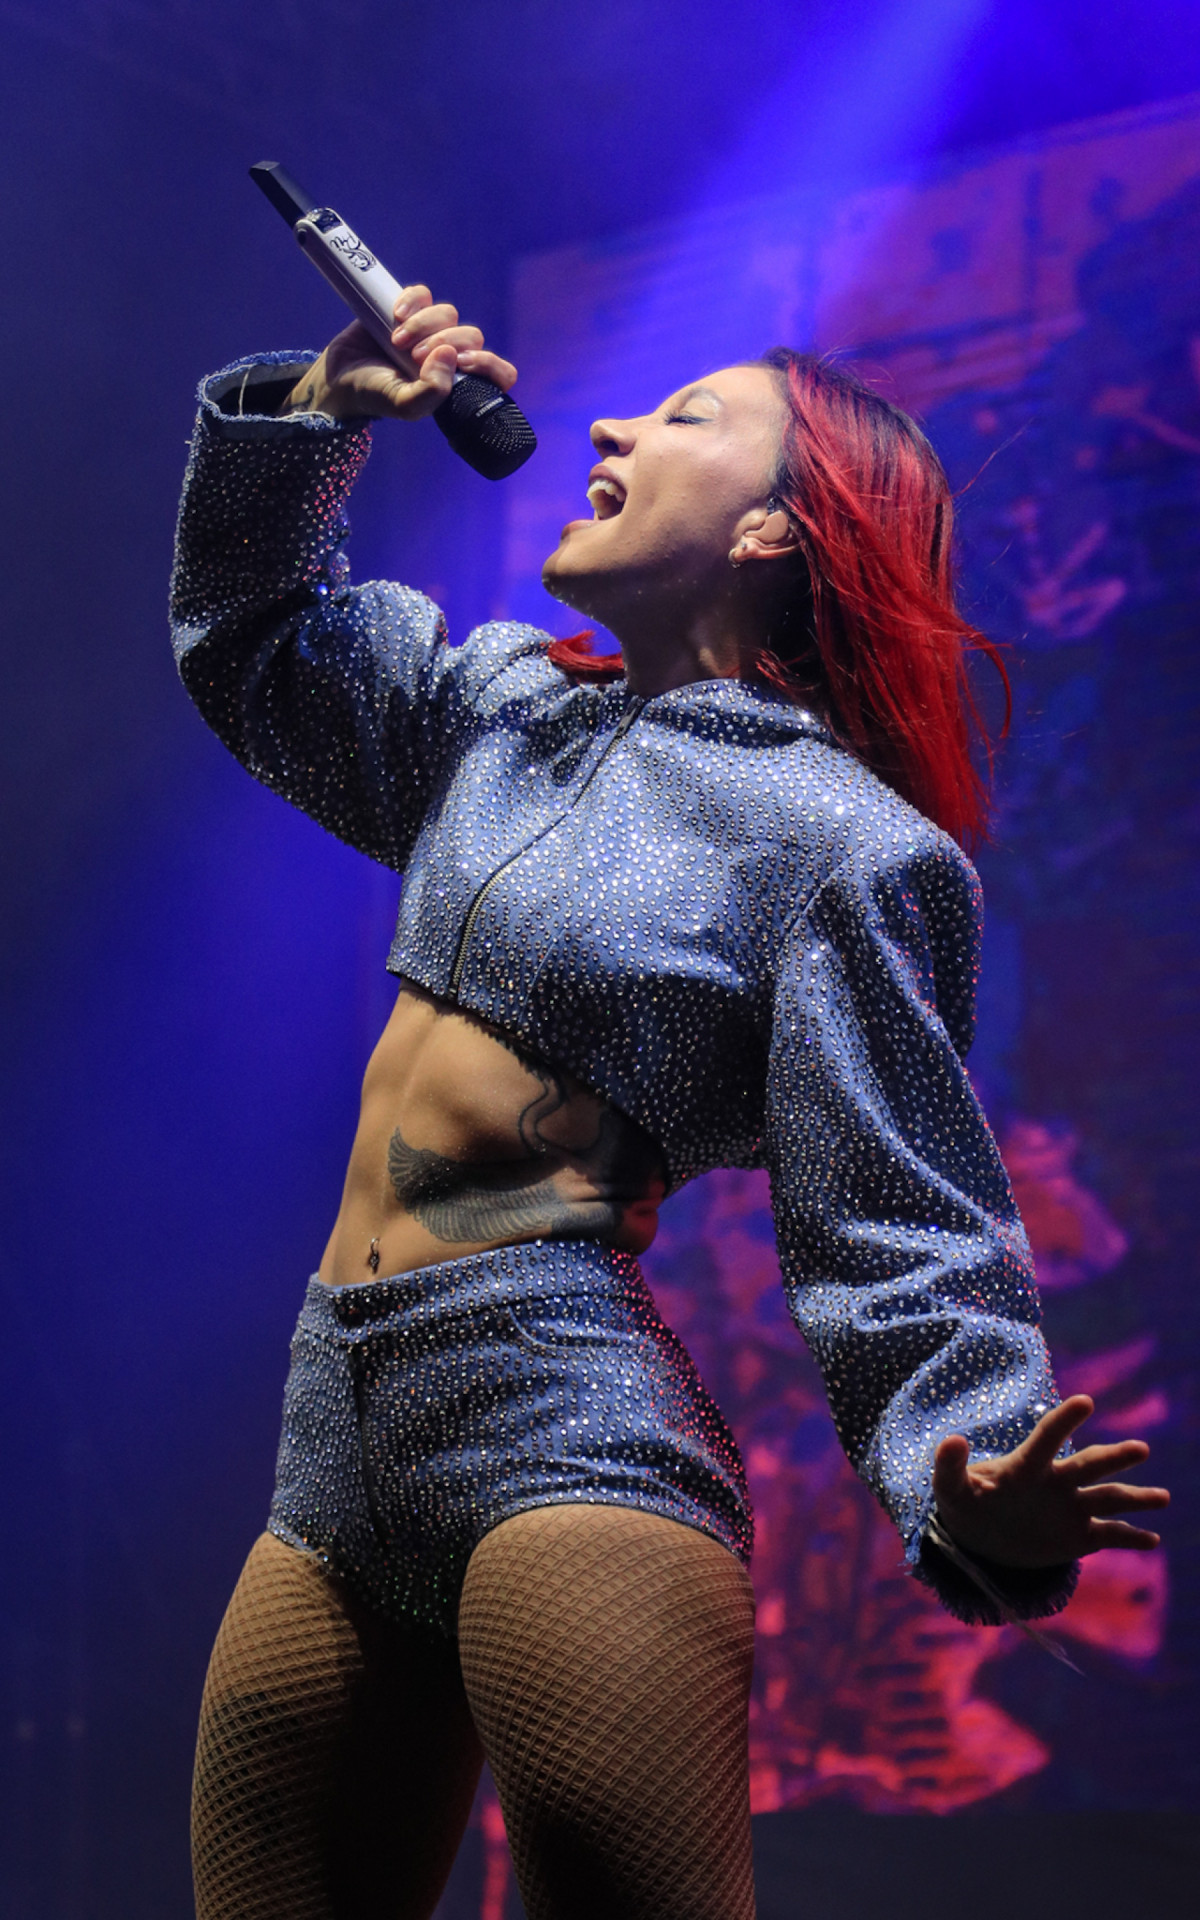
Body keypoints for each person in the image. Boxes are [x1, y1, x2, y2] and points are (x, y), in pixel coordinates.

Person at [171, 287, 1169, 1920]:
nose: (614, 430)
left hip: (558, 1420)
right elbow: (251, 634)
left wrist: (971, 1462)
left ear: (780, 528)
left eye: (686, 416)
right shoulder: (499, 716)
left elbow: (900, 1220)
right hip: (330, 1427)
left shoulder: (844, 845)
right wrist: (320, 406)